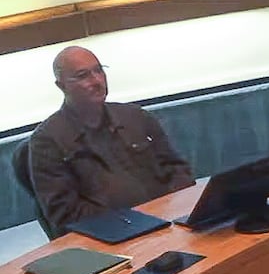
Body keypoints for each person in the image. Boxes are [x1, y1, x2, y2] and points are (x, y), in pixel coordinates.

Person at [27, 46, 194, 237]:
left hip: (167, 223)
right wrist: (135, 220)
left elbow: (178, 169)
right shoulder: (48, 141)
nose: (97, 81)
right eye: (83, 75)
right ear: (62, 86)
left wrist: (171, 208)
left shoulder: (135, 116)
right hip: (111, 237)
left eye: (99, 70)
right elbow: (65, 214)